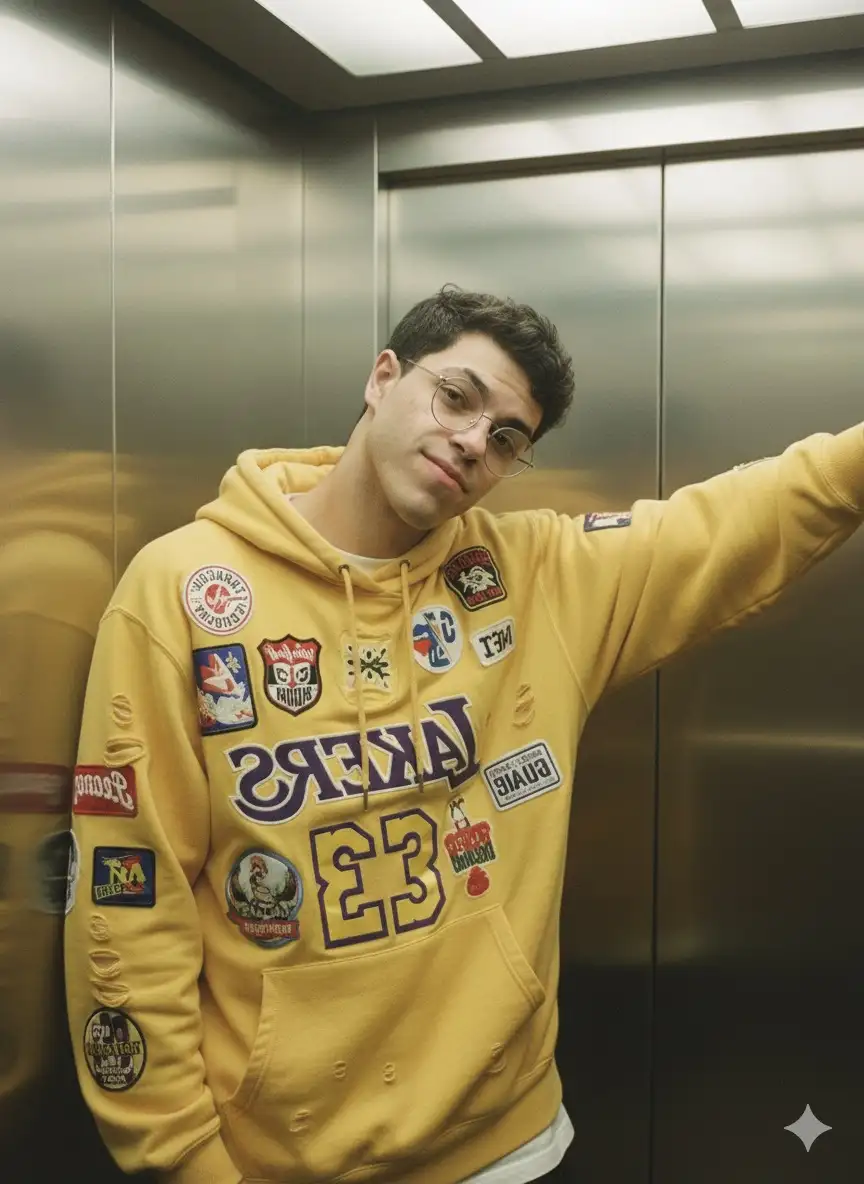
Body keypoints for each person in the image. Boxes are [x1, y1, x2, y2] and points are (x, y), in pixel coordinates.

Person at [64, 285, 864, 1184]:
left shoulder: (529, 578)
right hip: (279, 1160)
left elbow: (722, 525)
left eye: (507, 438)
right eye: (458, 397)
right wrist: (181, 1160)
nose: (474, 443)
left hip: (509, 1147)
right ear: (382, 378)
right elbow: (129, 900)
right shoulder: (181, 590)